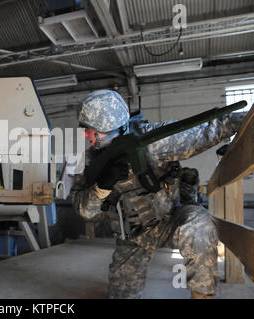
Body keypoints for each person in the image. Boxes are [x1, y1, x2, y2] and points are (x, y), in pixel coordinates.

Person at [69, 89, 245, 299]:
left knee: (199, 223)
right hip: (132, 237)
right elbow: (84, 211)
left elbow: (209, 129)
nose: (85, 135)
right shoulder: (90, 163)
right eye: (84, 129)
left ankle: (203, 295)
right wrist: (101, 186)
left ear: (110, 127)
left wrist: (246, 119)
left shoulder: (151, 140)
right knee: (121, 295)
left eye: (90, 130)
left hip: (169, 221)